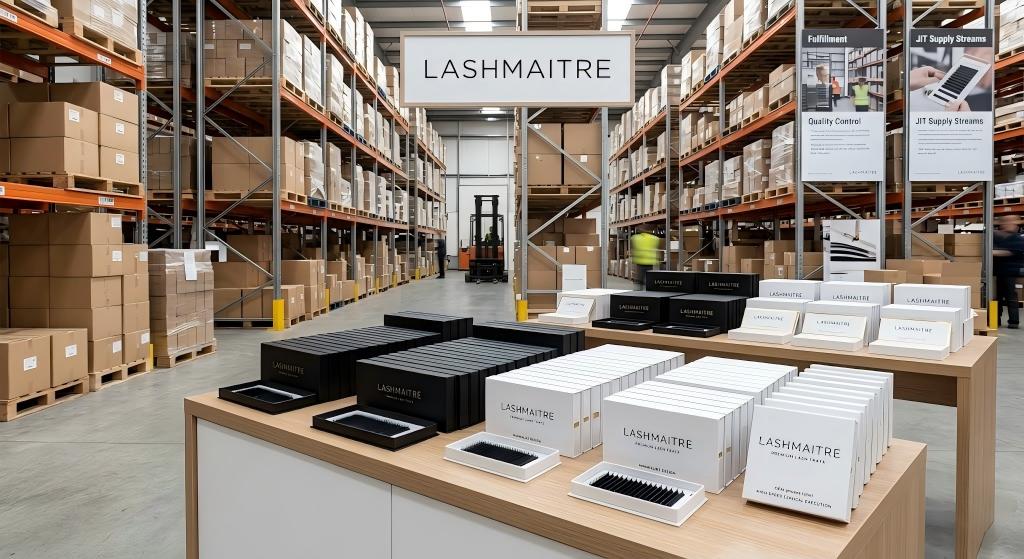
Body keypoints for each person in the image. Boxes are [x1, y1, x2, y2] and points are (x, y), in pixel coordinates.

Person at [994, 215, 1024, 328]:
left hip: (1010, 272)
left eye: (1011, 222)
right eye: (1006, 222)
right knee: (996, 297)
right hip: (997, 272)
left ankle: (1013, 322)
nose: (1008, 224)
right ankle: (996, 319)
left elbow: (1011, 252)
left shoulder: (1018, 238)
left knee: (1010, 296)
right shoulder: (997, 236)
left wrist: (994, 252)